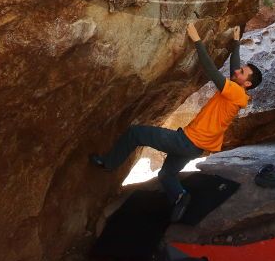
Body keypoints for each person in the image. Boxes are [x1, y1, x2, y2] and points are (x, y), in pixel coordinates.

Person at [90, 23, 262, 221]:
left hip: (187, 141)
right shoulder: (240, 93)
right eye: (241, 70)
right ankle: (181, 197)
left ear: (247, 83)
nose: (238, 71)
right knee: (166, 175)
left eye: (243, 73)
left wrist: (197, 40)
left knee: (135, 133)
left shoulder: (235, 93)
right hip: (196, 147)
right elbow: (234, 68)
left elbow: (211, 71)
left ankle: (108, 163)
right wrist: (236, 42)